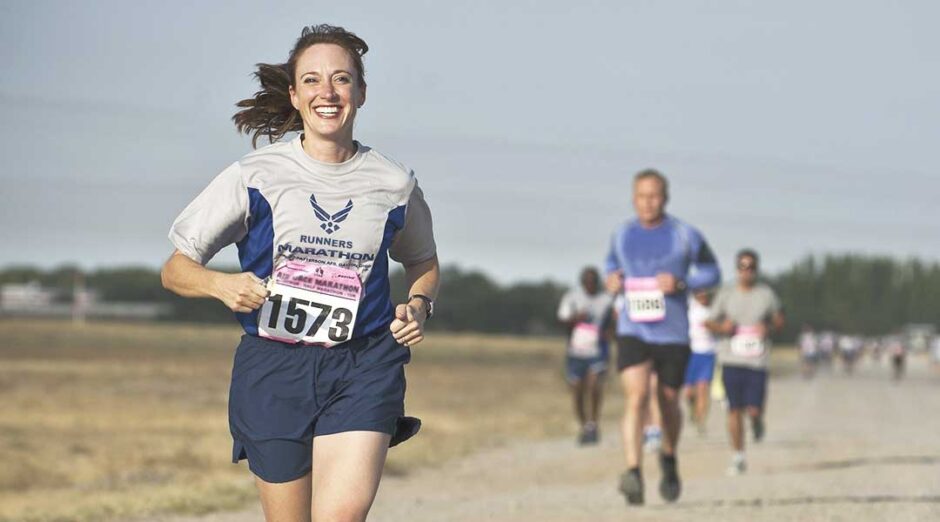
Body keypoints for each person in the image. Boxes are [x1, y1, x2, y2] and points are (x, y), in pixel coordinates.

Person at [160, 25, 440, 522]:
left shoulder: (393, 183)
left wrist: (419, 304)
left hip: (363, 363)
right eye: (311, 80)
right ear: (294, 93)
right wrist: (222, 286)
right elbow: (176, 269)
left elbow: (422, 262)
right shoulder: (255, 175)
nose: (327, 93)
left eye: (341, 79)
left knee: (341, 516)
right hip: (274, 369)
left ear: (361, 92)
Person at [605, 169, 721, 505]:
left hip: (672, 333)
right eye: (641, 196)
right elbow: (610, 267)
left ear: (665, 198)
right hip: (633, 329)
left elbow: (712, 271)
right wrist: (611, 280)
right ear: (633, 198)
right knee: (637, 397)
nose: (648, 202)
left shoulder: (685, 234)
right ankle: (633, 472)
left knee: (668, 402)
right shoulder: (622, 234)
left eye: (654, 196)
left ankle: (668, 458)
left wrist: (683, 283)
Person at [705, 249, 784, 476]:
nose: (746, 271)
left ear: (756, 269)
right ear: (737, 268)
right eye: (742, 266)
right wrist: (723, 328)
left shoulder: (766, 294)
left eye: (751, 267)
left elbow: (780, 319)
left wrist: (767, 328)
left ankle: (757, 420)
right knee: (733, 409)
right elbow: (709, 321)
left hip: (757, 361)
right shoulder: (727, 293)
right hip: (731, 358)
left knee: (753, 408)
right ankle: (738, 455)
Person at [557, 267, 614, 445]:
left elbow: (614, 321)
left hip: (597, 351)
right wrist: (576, 318)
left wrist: (610, 333)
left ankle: (593, 423)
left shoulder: (606, 299)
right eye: (587, 282)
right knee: (577, 390)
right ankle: (584, 426)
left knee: (595, 386)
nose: (590, 285)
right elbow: (562, 320)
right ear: (582, 283)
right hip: (576, 352)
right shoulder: (571, 297)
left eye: (593, 281)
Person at [684, 289, 717, 434]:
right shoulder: (689, 305)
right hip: (690, 353)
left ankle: (701, 420)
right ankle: (693, 408)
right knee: (689, 392)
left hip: (708, 353)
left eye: (705, 292)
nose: (703, 295)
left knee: (703, 388)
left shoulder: (714, 309)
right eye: (700, 292)